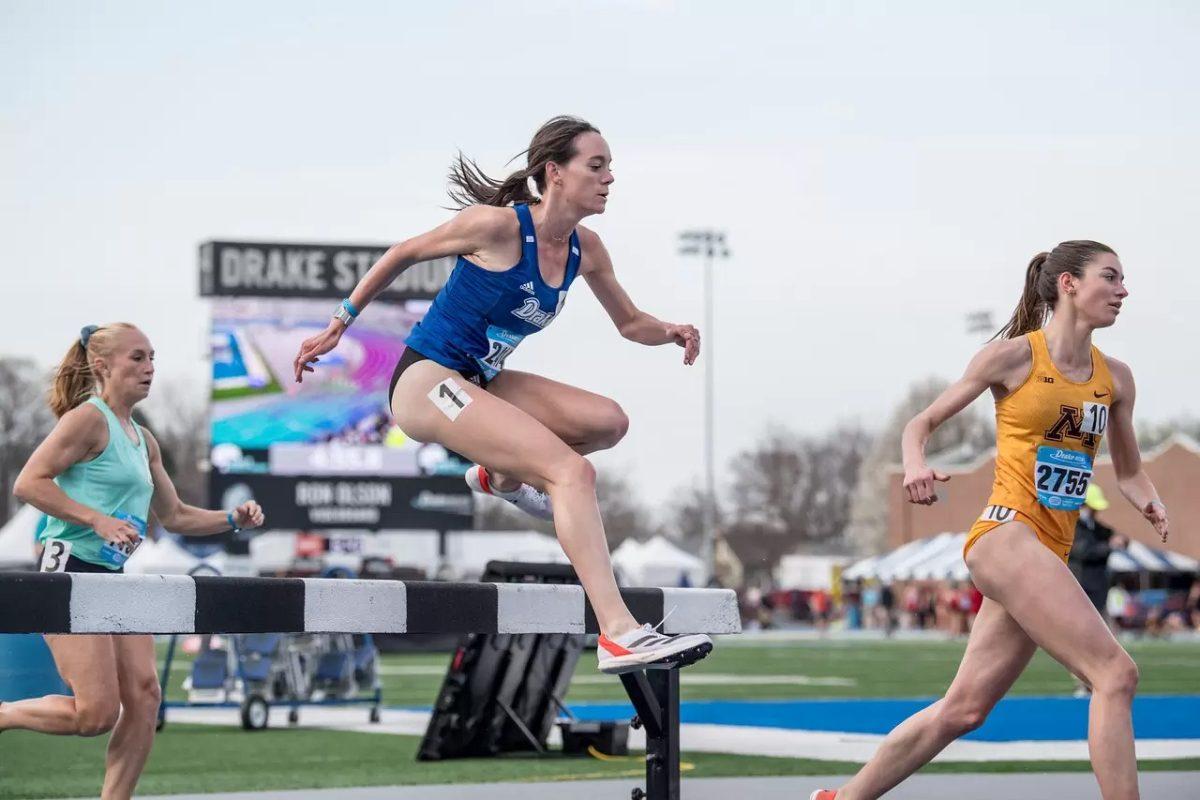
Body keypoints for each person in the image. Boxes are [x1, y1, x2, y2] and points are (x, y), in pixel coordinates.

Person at [292, 116, 712, 674]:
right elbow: (402, 253)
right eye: (597, 165)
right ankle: (618, 631)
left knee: (608, 422)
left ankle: (499, 477)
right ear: (554, 173)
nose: (610, 178)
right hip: (427, 383)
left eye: (610, 167)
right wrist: (339, 323)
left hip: (480, 380)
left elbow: (629, 321)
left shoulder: (587, 250)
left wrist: (670, 331)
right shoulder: (495, 228)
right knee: (572, 474)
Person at [811, 241, 1169, 800]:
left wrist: (1150, 500)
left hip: (1045, 552)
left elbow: (1128, 471)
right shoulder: (1013, 358)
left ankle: (841, 799)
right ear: (1069, 284)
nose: (1124, 291)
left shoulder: (1115, 379)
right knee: (1115, 675)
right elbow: (920, 423)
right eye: (1112, 277)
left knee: (964, 710)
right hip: (1006, 535)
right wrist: (914, 466)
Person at [1, 323, 264, 800]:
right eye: (137, 358)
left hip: (115, 579)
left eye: (153, 358)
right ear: (103, 366)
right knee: (95, 716)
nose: (150, 369)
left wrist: (232, 518)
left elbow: (177, 516)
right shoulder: (86, 420)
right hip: (70, 576)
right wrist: (97, 520)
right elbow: (29, 483)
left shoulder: (144, 439)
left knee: (144, 699)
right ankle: (3, 715)